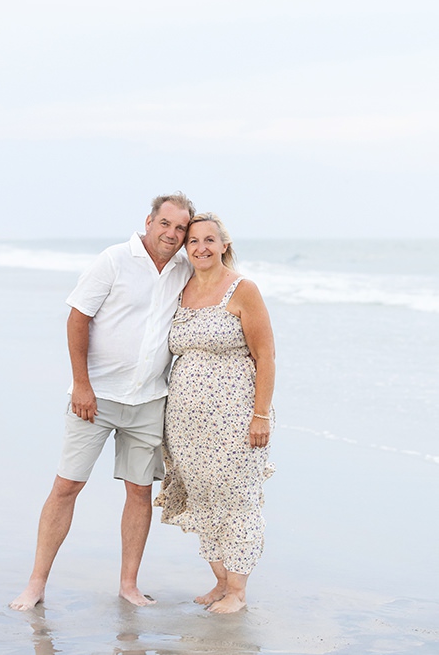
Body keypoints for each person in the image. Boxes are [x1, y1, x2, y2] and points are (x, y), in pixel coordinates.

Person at [10, 193, 195, 610]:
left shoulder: (185, 268)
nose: (172, 234)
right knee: (67, 486)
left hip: (150, 400)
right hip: (95, 398)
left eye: (181, 228)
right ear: (149, 221)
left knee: (139, 493)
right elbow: (78, 317)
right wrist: (82, 384)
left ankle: (129, 585)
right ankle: (35, 584)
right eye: (165, 224)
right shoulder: (114, 260)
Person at [154, 213, 275, 613]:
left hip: (236, 419)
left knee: (237, 499)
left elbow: (266, 356)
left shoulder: (243, 290)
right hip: (185, 423)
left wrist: (261, 415)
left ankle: (238, 592)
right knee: (203, 498)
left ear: (225, 244)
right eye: (193, 241)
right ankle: (221, 582)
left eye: (209, 239)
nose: (201, 247)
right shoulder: (181, 290)